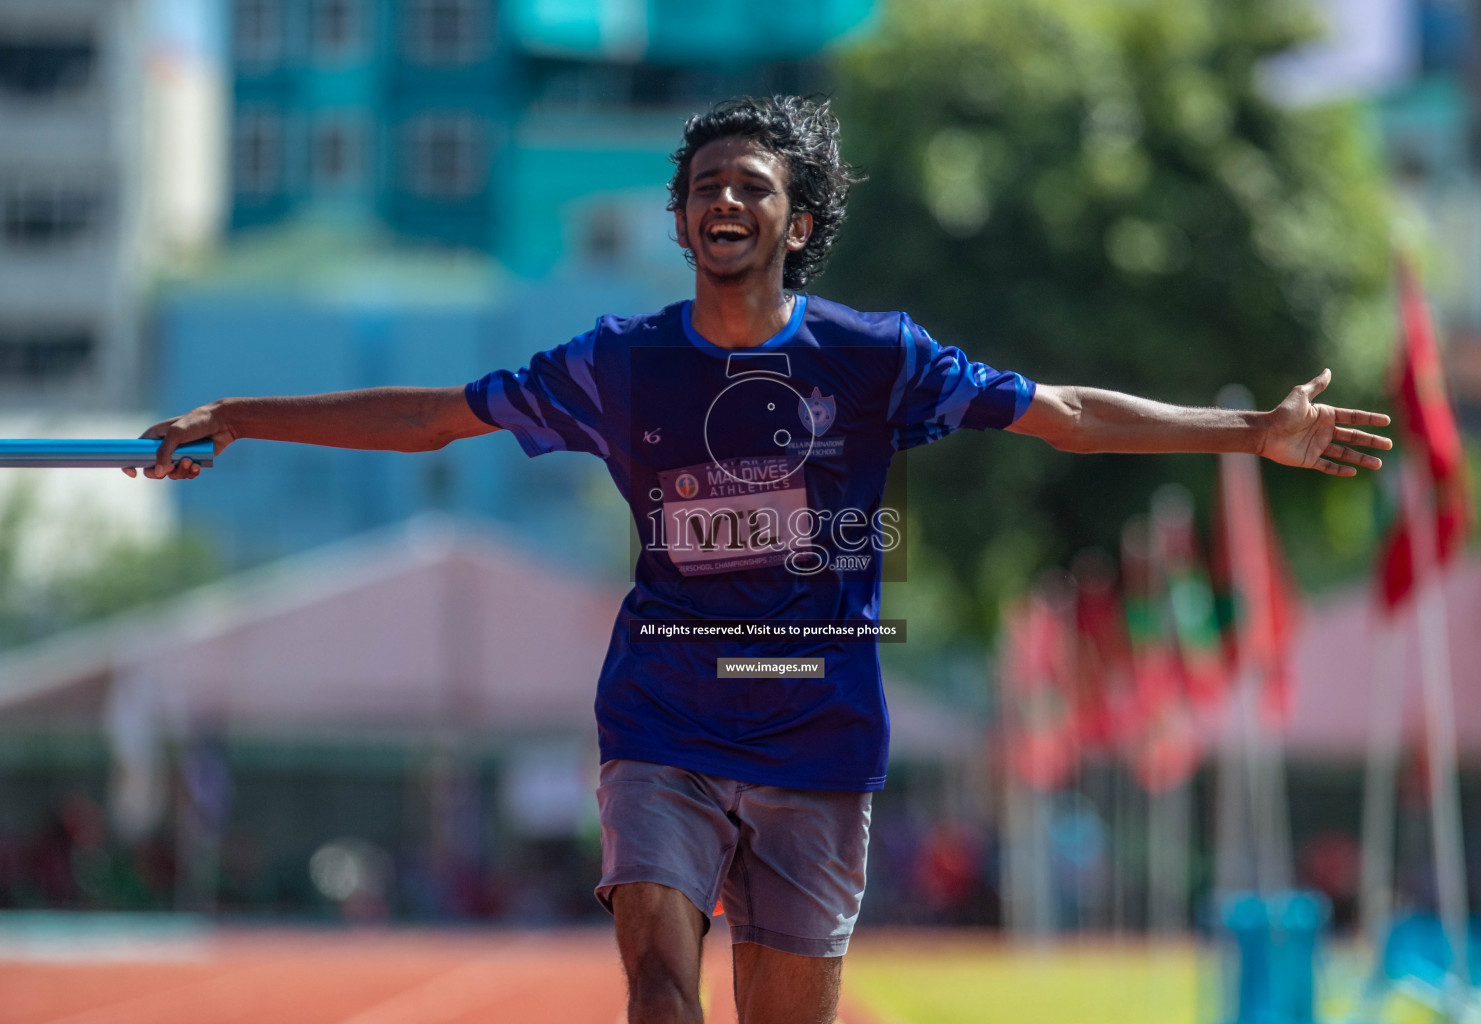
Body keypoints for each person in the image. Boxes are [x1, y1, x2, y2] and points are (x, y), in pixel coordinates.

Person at [134, 96, 1391, 1024]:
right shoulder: (617, 362)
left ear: (800, 220)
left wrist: (1251, 432)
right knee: (658, 986)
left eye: (751, 186)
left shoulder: (879, 355)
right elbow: (435, 417)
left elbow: (1060, 410)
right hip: (663, 716)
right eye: (705, 187)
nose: (725, 202)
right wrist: (242, 415)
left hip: (818, 732)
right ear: (679, 222)